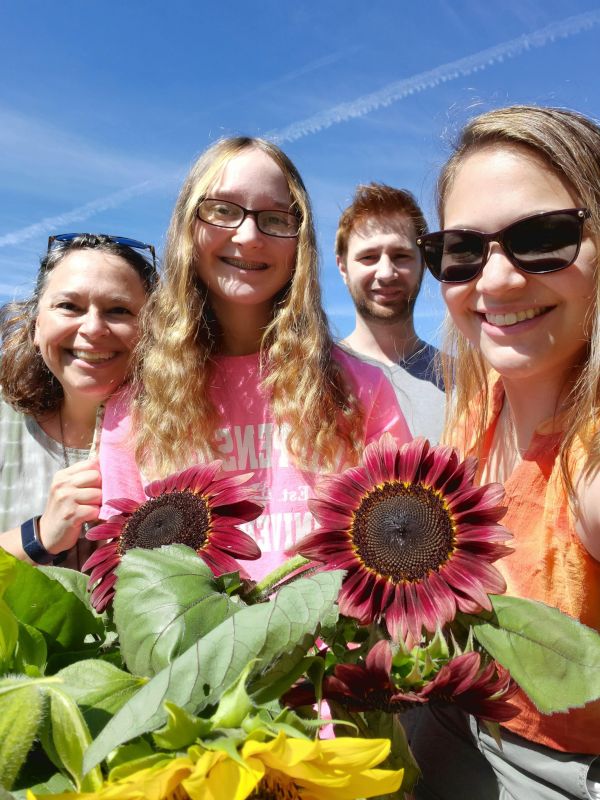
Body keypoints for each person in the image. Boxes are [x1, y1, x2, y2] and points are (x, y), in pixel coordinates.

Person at [98, 137, 411, 583]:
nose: (249, 236)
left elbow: (400, 546)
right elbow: (123, 571)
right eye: (223, 210)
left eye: (274, 219)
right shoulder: (133, 408)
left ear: (299, 243)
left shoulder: (361, 389)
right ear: (189, 226)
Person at [409, 105, 600, 799]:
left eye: (543, 238)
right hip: (453, 721)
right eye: (461, 251)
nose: (494, 282)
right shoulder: (483, 392)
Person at [0, 233, 157, 569]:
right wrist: (38, 536)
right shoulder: (5, 426)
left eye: (119, 310)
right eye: (69, 306)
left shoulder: (189, 432)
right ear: (35, 325)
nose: (93, 328)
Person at [335, 183, 445, 442]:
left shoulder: (466, 385)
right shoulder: (311, 380)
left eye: (401, 256)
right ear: (342, 267)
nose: (386, 273)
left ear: (424, 263)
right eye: (369, 257)